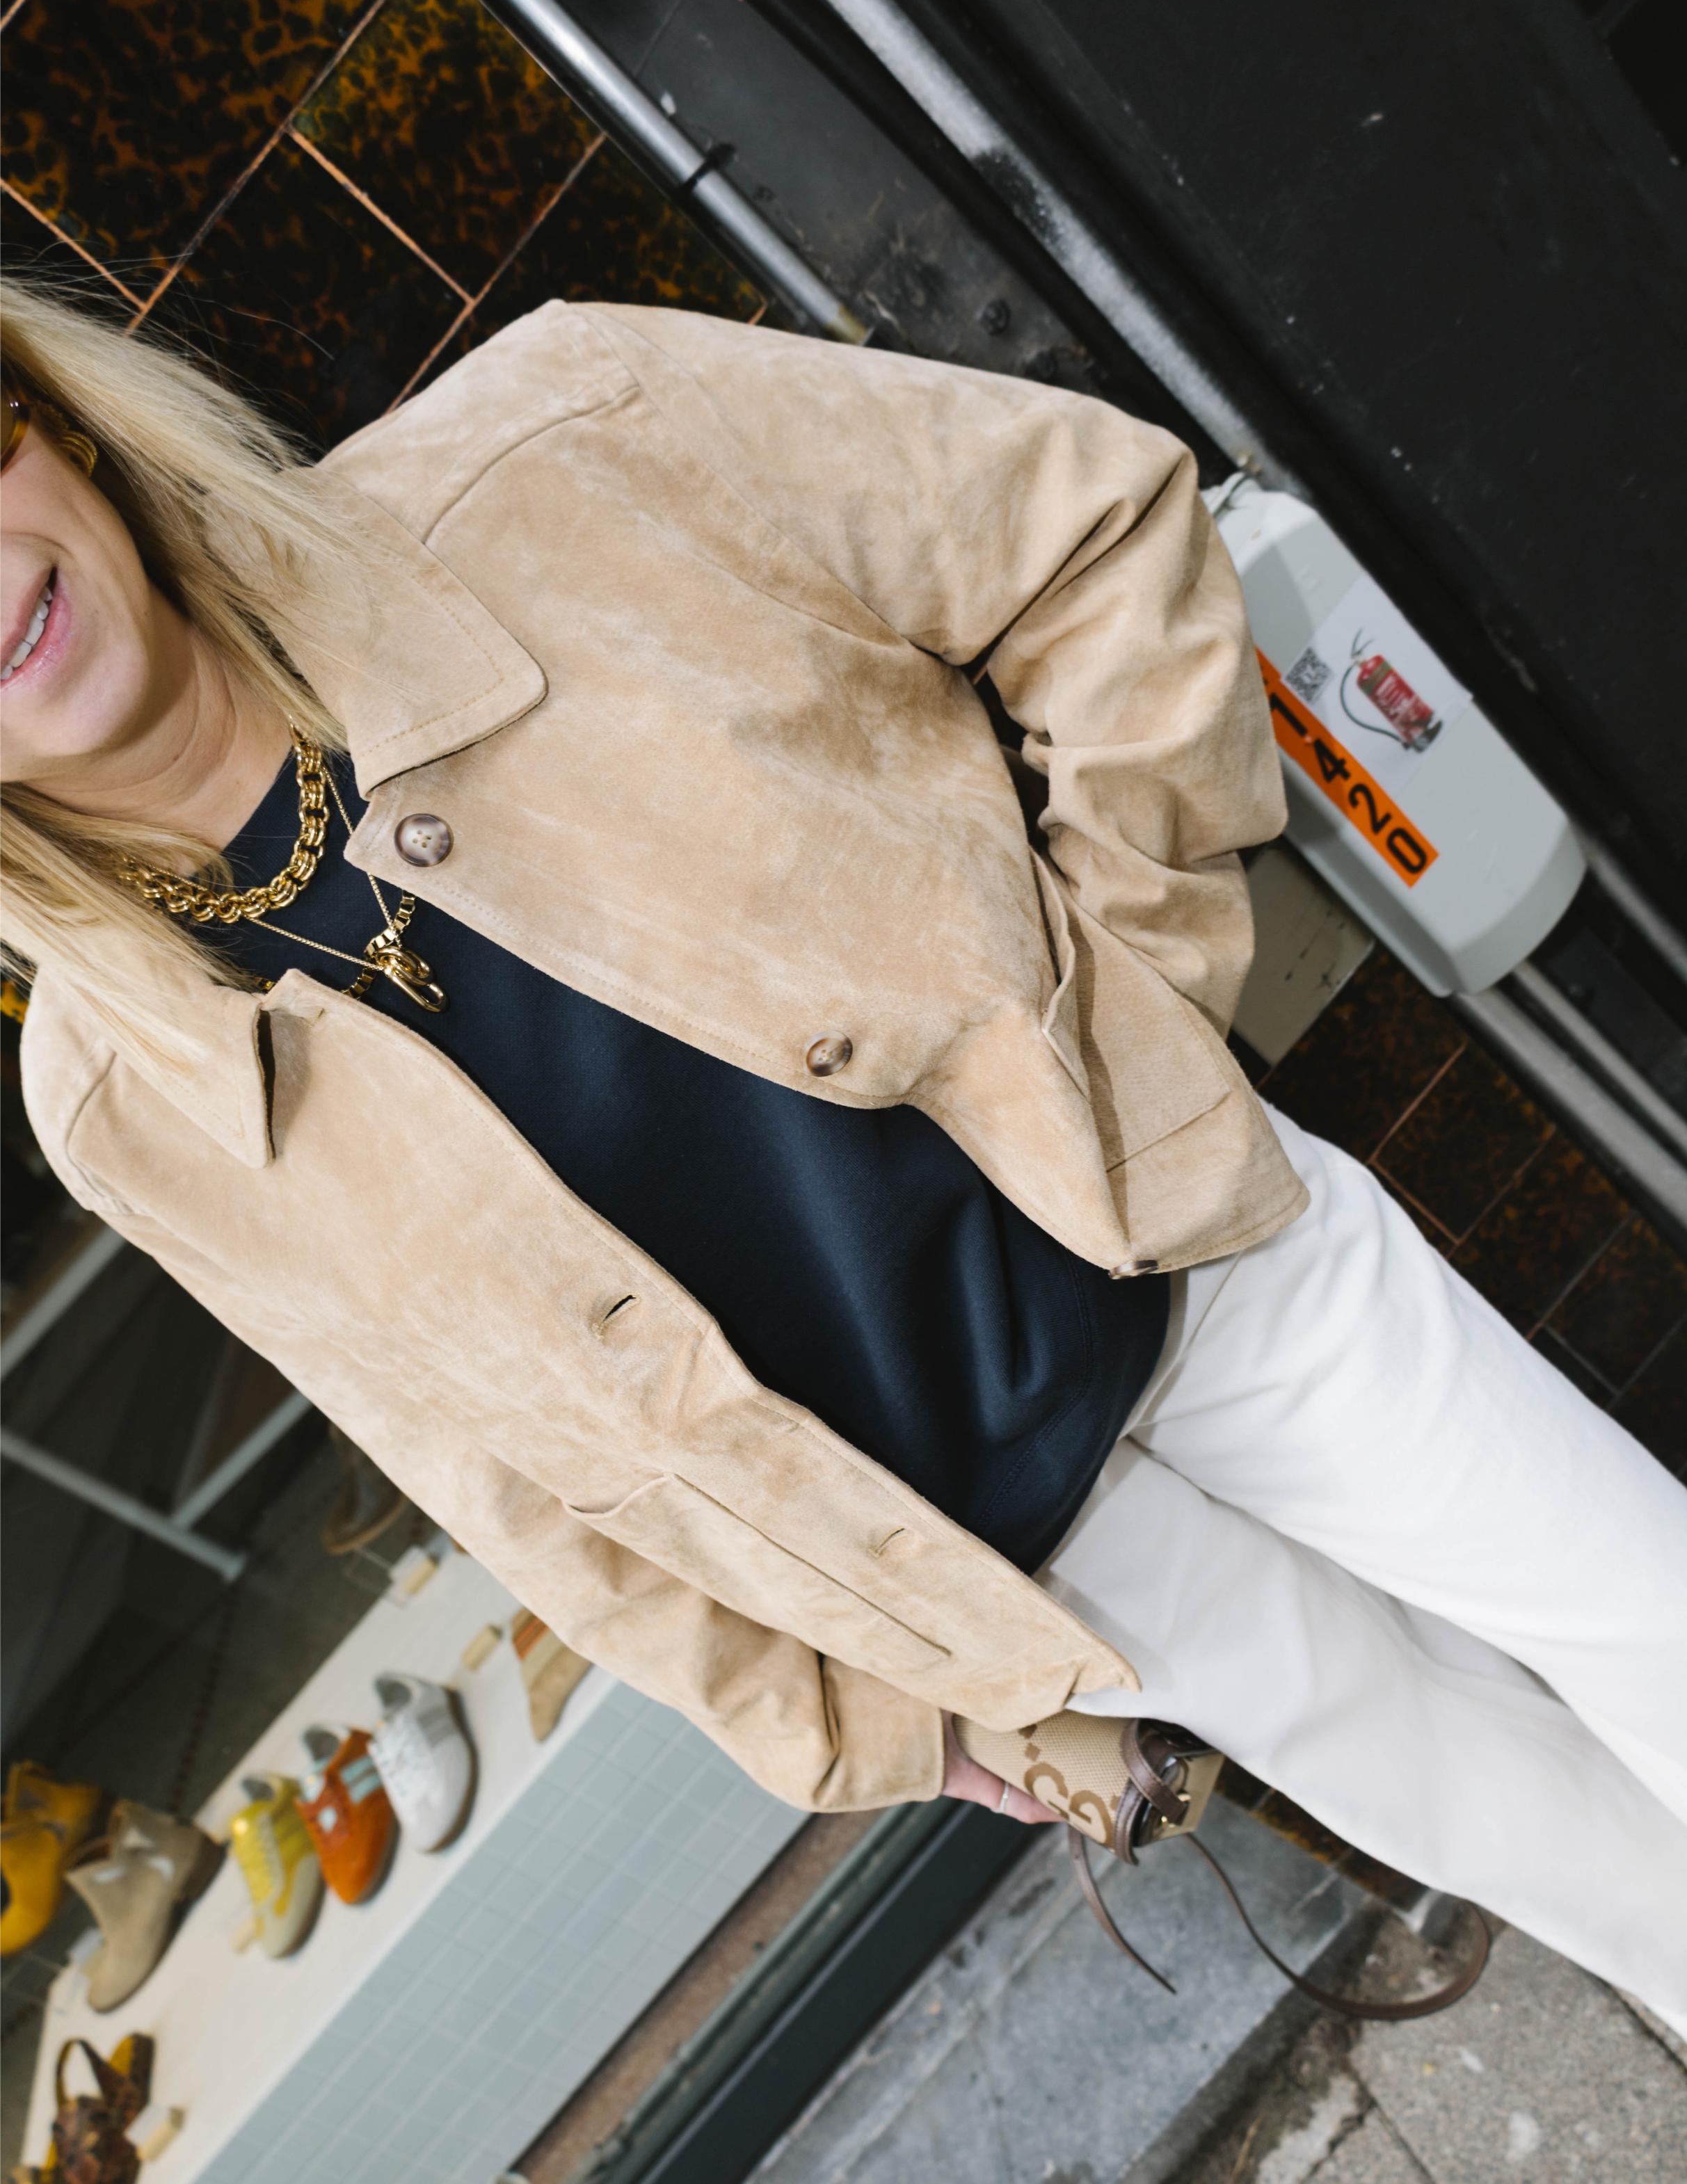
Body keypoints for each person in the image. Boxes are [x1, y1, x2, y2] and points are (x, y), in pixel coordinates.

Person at [3, 282, 1684, 2026]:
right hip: (1024, 1566)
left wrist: (1134, 1010)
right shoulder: (117, 1092)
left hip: (1203, 1268)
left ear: (48, 415)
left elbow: (1090, 527)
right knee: (1534, 1844)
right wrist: (856, 1715)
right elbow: (500, 1477)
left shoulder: (550, 443)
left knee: (1651, 1619)